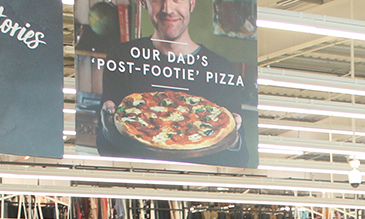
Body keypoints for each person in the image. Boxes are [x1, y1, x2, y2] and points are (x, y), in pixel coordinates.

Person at [91, 0, 256, 166]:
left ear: (192, 3)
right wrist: (109, 130)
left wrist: (232, 139)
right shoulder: (122, 58)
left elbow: (241, 160)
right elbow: (104, 150)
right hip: (140, 183)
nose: (167, 9)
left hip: (196, 186)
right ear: (143, 3)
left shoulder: (221, 69)